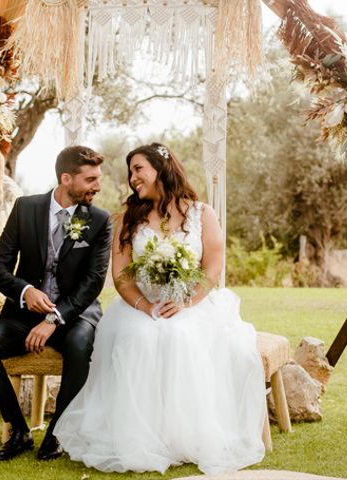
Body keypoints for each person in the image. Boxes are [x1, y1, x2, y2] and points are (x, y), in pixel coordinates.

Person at [54, 143, 266, 475]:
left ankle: (185, 435)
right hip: (140, 306)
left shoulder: (202, 214)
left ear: (161, 168)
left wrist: (185, 302)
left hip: (192, 304)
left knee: (180, 335)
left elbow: (212, 269)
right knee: (138, 337)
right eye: (130, 172)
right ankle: (138, 436)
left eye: (138, 169)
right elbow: (122, 278)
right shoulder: (126, 219)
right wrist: (145, 305)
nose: (132, 178)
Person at [0, 146, 113, 461]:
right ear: (66, 178)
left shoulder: (100, 221)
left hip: (75, 314)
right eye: (90, 179)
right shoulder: (26, 209)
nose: (97, 186)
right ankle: (19, 430)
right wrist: (25, 292)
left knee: (79, 347)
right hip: (25, 313)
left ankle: (57, 433)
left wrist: (52, 320)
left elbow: (92, 284)